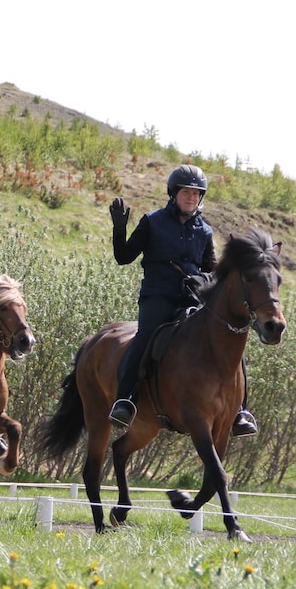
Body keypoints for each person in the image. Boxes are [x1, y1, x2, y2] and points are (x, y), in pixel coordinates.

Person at [108, 164, 258, 437]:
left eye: (196, 194)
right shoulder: (152, 221)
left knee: (231, 340)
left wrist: (209, 281)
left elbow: (212, 268)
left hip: (193, 298)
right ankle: (125, 400)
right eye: (186, 192)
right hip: (158, 296)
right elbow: (123, 257)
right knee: (145, 337)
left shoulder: (204, 230)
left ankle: (241, 412)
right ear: (174, 193)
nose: (191, 198)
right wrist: (119, 231)